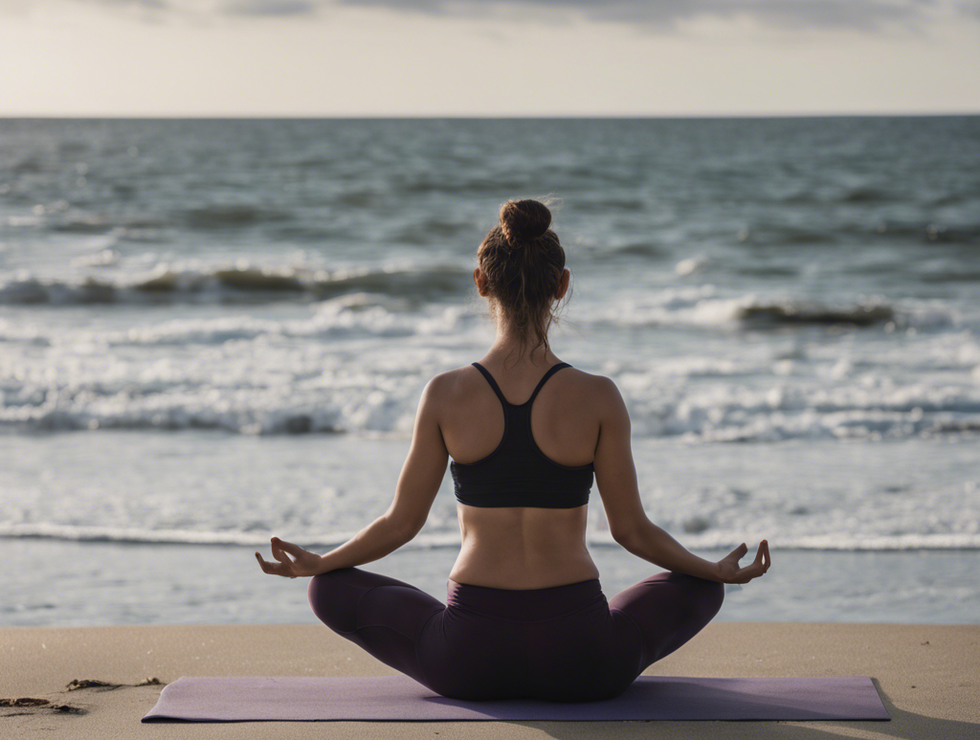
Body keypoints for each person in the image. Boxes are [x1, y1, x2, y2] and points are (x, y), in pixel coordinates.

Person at [256, 198, 770, 702]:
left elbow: (400, 524)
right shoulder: (598, 396)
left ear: (480, 282)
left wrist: (322, 564)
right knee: (701, 586)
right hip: (584, 660)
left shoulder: (445, 393)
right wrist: (714, 570)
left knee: (327, 589)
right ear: (562, 285)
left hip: (467, 657)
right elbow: (631, 531)